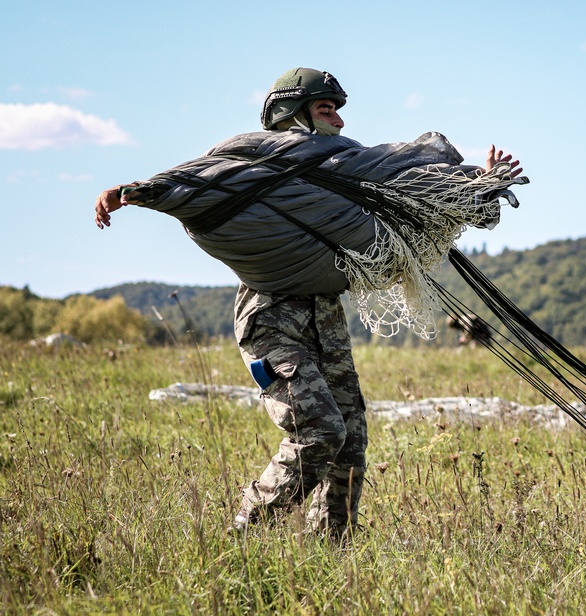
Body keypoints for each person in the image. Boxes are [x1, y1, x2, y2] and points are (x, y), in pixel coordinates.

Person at [94, 67, 523, 538]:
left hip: (325, 318)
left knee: (351, 443)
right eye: (326, 106)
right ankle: (245, 531)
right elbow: (198, 181)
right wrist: (131, 193)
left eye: (339, 108)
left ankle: (330, 553)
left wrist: (478, 184)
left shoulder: (347, 168)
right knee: (320, 433)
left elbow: (407, 186)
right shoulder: (250, 163)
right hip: (271, 318)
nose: (337, 116)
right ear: (291, 113)